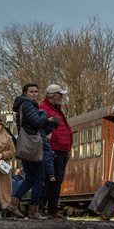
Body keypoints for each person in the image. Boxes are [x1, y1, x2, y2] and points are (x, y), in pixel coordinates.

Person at [7, 83, 57, 220]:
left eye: (36, 91)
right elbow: (36, 123)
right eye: (31, 91)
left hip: (26, 146)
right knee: (39, 179)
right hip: (33, 147)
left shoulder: (22, 105)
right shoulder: (28, 104)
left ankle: (14, 203)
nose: (34, 94)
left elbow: (33, 124)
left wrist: (46, 121)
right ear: (25, 93)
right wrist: (45, 115)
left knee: (30, 178)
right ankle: (34, 211)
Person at [38, 84, 72, 221]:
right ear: (53, 95)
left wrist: (68, 148)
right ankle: (43, 209)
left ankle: (52, 210)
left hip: (62, 149)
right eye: (60, 94)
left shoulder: (57, 109)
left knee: (57, 181)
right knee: (49, 180)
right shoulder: (44, 108)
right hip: (53, 149)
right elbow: (43, 128)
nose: (62, 96)